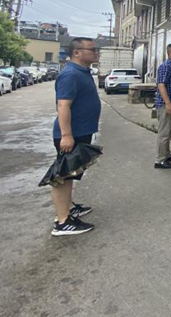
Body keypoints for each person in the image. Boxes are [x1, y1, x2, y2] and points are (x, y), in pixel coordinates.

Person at [51, 37, 101, 236]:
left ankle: (68, 208)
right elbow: (63, 105)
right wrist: (66, 135)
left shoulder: (83, 72)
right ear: (77, 52)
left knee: (70, 174)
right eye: (92, 49)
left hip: (81, 132)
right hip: (71, 135)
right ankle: (62, 222)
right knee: (62, 177)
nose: (96, 52)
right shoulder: (70, 74)